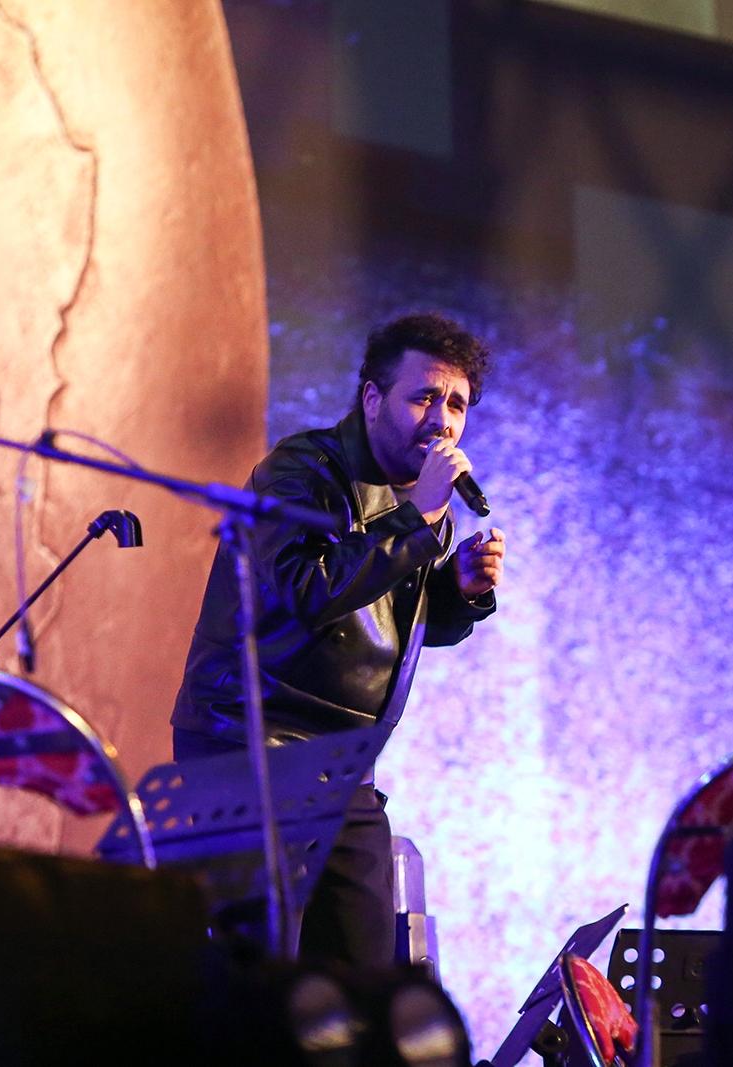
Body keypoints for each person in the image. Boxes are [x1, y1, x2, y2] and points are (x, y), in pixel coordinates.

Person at [170, 311, 505, 968]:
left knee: (363, 971)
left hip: (343, 763)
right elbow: (309, 590)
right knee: (261, 972)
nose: (442, 420)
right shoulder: (302, 470)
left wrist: (459, 592)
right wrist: (420, 521)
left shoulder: (421, 503)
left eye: (457, 405)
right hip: (250, 742)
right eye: (424, 397)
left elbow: (385, 620)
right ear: (373, 398)